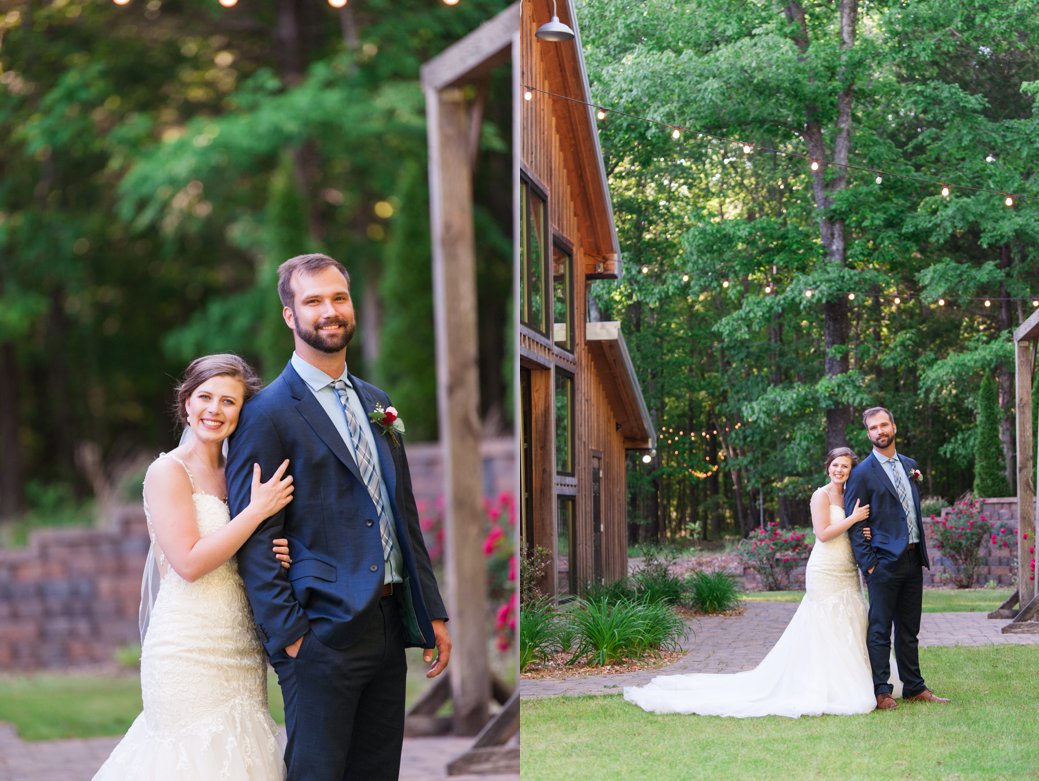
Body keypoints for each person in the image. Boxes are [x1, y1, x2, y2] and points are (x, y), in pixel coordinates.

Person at [226, 252, 451, 781]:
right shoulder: (267, 412)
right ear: (290, 316)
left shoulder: (378, 402)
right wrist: (291, 637)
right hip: (319, 632)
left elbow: (403, 517)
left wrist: (430, 611)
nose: (329, 310)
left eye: (338, 297)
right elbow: (256, 536)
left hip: (388, 625)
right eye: (313, 301)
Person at [93, 354, 296, 780]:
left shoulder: (237, 471)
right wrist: (255, 513)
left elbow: (240, 546)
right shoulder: (168, 471)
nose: (214, 410)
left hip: (239, 645)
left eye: (229, 401)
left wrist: (275, 552)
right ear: (186, 402)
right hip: (187, 647)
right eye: (205, 397)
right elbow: (187, 562)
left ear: (243, 410)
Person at [624, 447, 897, 718]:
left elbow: (854, 531)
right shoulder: (821, 495)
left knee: (851, 621)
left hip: (848, 567)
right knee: (826, 624)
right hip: (825, 568)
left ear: (852, 469)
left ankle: (860, 681)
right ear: (828, 466)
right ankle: (827, 687)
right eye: (835, 465)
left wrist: (864, 528)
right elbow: (823, 533)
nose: (839, 470)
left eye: (845, 466)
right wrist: (853, 519)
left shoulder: (850, 494)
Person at [845, 406, 950, 709]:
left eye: (883, 425)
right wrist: (871, 564)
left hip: (913, 558)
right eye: (873, 428)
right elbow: (856, 524)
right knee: (880, 630)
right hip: (883, 564)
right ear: (868, 434)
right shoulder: (862, 473)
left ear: (893, 426)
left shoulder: (910, 465)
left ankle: (915, 686)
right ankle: (881, 691)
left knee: (909, 629)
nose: (879, 431)